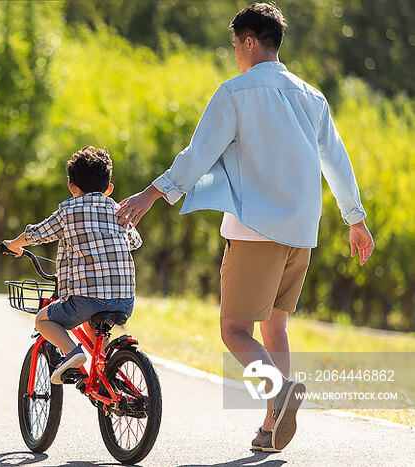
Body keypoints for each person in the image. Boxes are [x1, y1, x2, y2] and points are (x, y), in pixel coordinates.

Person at [116, 2, 374, 453]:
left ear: (250, 42)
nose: (236, 52)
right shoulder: (311, 96)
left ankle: (279, 393)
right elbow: (337, 160)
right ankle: (271, 431)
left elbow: (197, 155)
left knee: (234, 331)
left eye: (236, 44)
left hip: (255, 229)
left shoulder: (234, 93)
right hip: (301, 232)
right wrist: (356, 219)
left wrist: (150, 194)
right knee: (276, 327)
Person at [2, 146, 143, 384]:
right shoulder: (119, 210)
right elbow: (135, 242)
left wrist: (14, 245)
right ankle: (108, 373)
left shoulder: (69, 211)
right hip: (125, 300)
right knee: (96, 326)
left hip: (86, 300)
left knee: (43, 319)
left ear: (72, 187)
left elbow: (37, 234)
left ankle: (72, 352)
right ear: (109, 189)